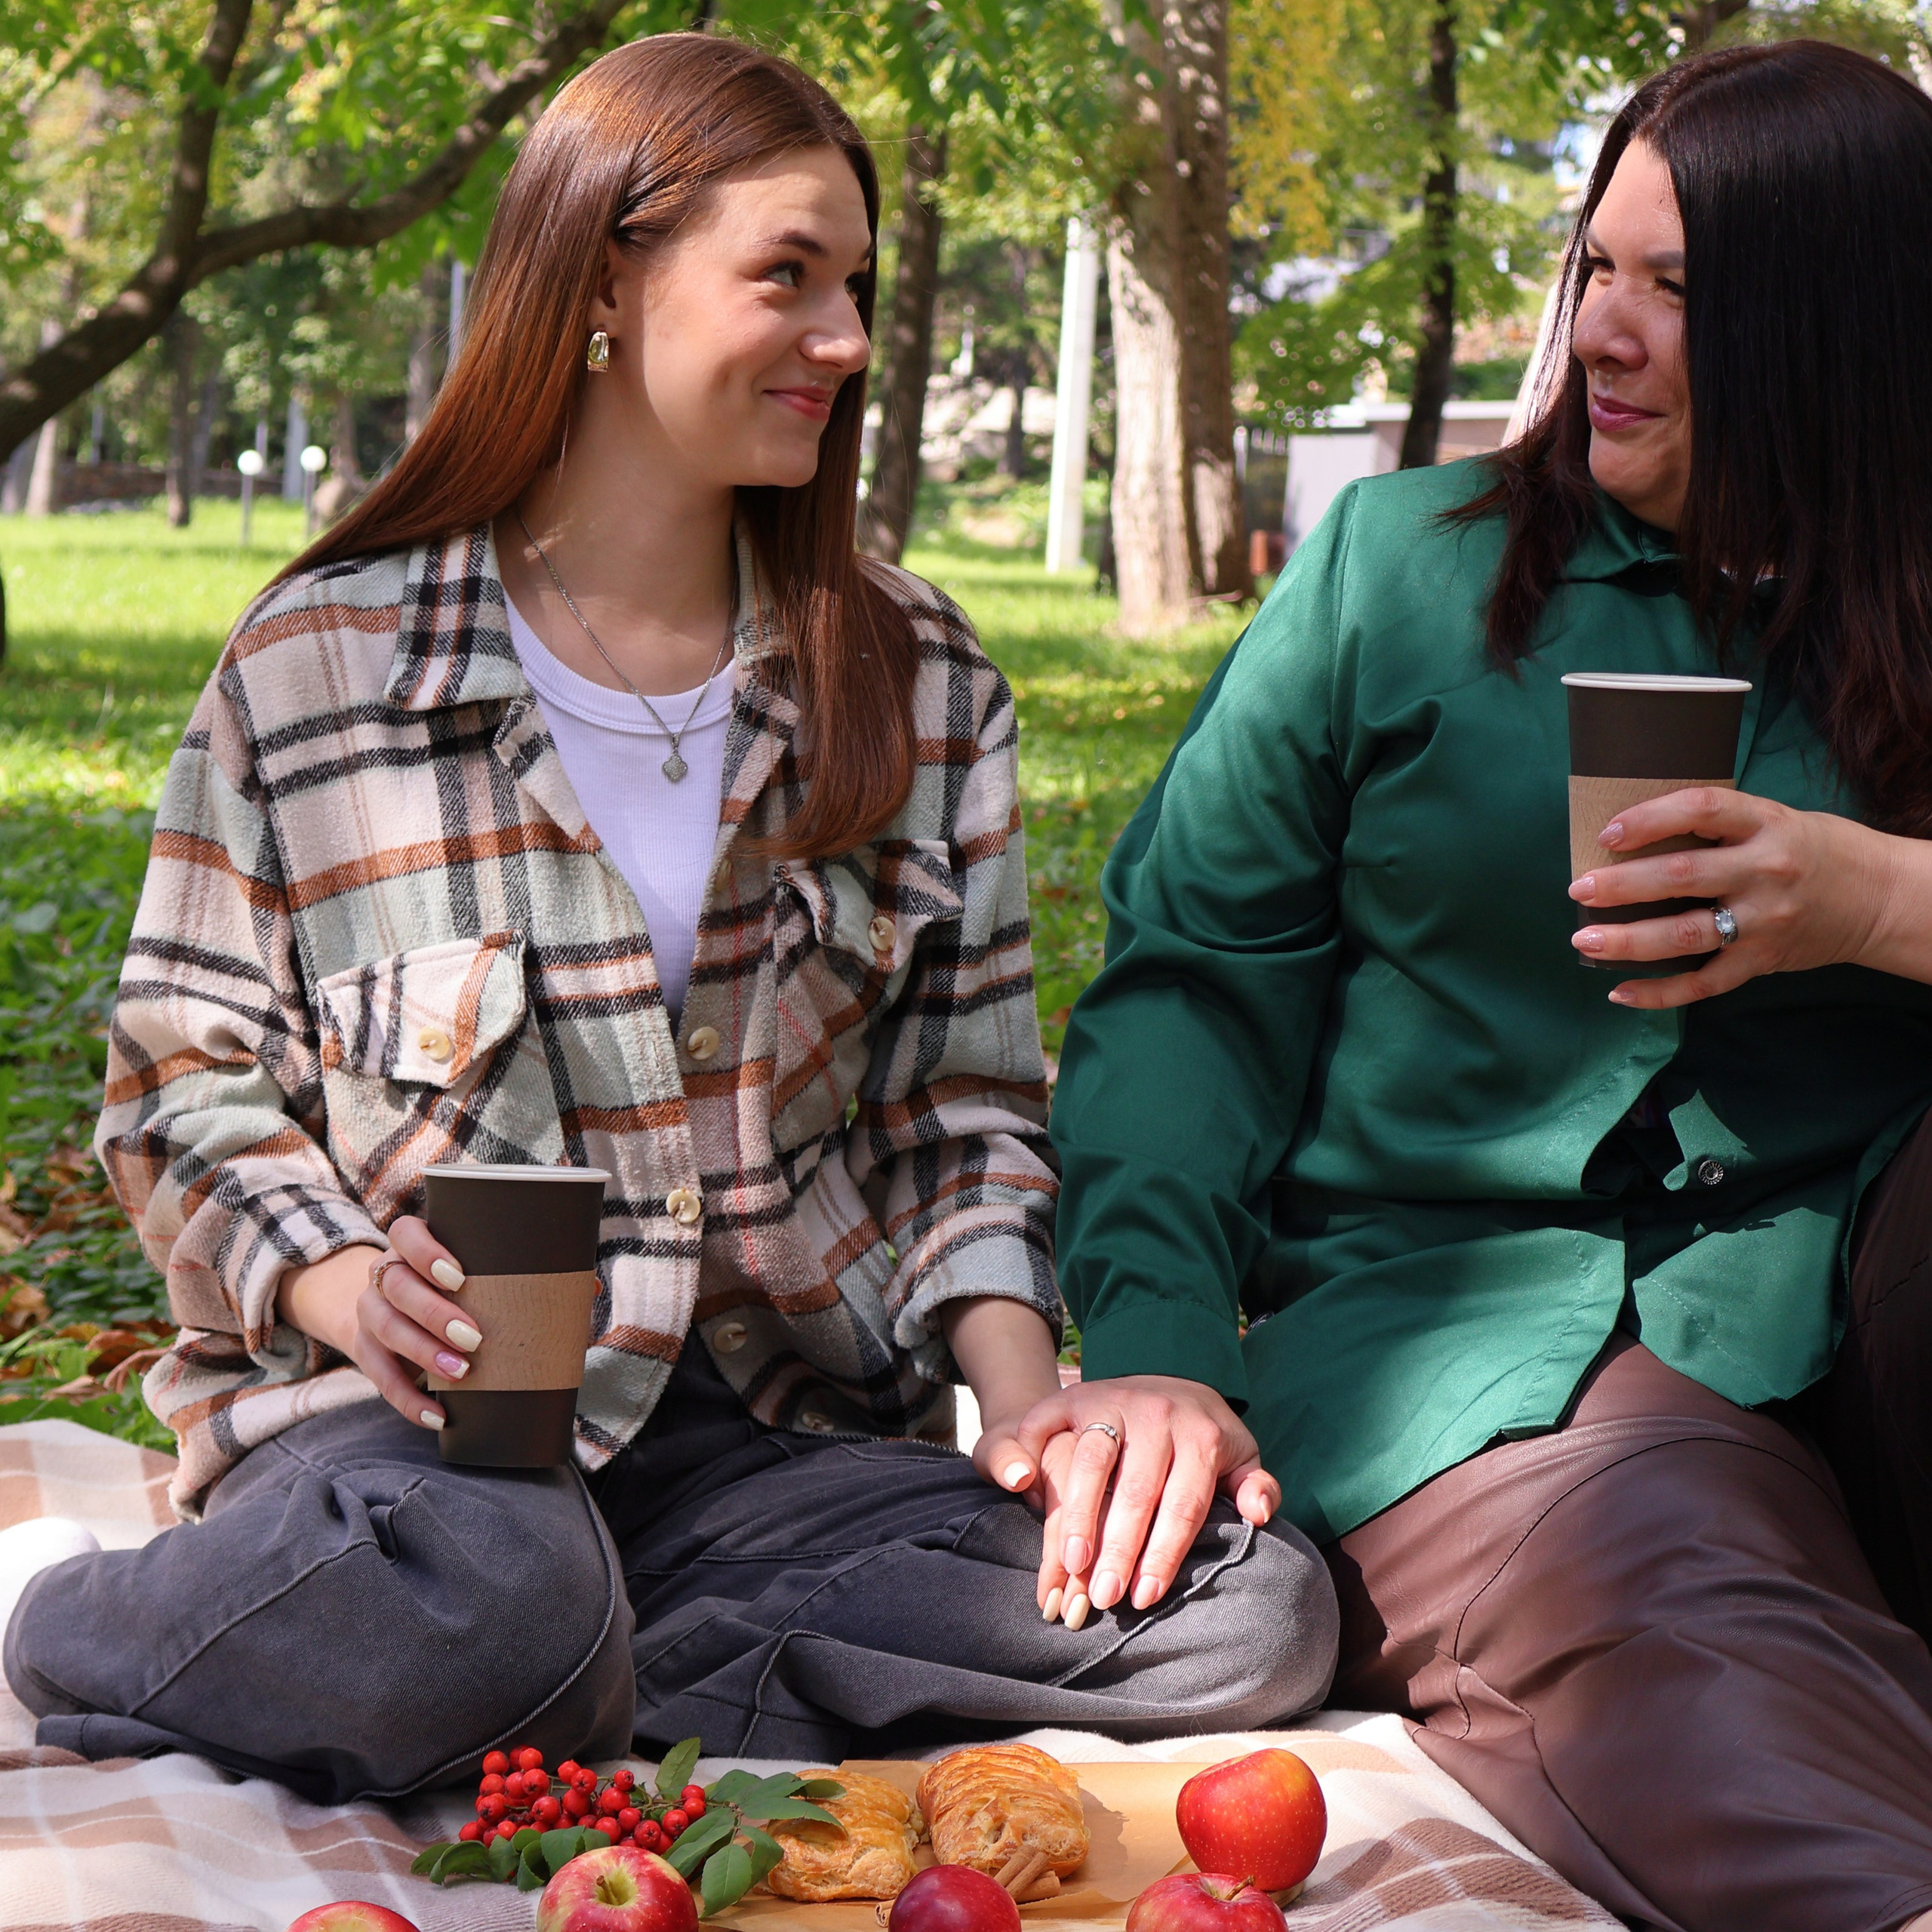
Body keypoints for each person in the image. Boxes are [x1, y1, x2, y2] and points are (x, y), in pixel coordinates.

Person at [0, 34, 1336, 1804]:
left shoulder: (921, 680)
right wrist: (337, 1280)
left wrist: (1028, 1412)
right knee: (491, 1585)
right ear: (602, 285)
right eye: (786, 275)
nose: (847, 338)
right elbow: (178, 1083)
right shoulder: (322, 664)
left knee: (1250, 1609)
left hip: (771, 1464)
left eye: (853, 283)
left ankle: (576, 1682)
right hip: (410, 1458)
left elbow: (962, 1118)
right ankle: (91, 1631)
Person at [1039, 40, 1932, 1932]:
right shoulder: (1400, 572)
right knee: (1666, 1570)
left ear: (1844, 327)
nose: (1603, 330)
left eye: (1678, 290)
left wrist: (1878, 897)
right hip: (1503, 1330)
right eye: (1593, 267)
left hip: (1863, 1299)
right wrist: (1156, 1342)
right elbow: (1194, 986)